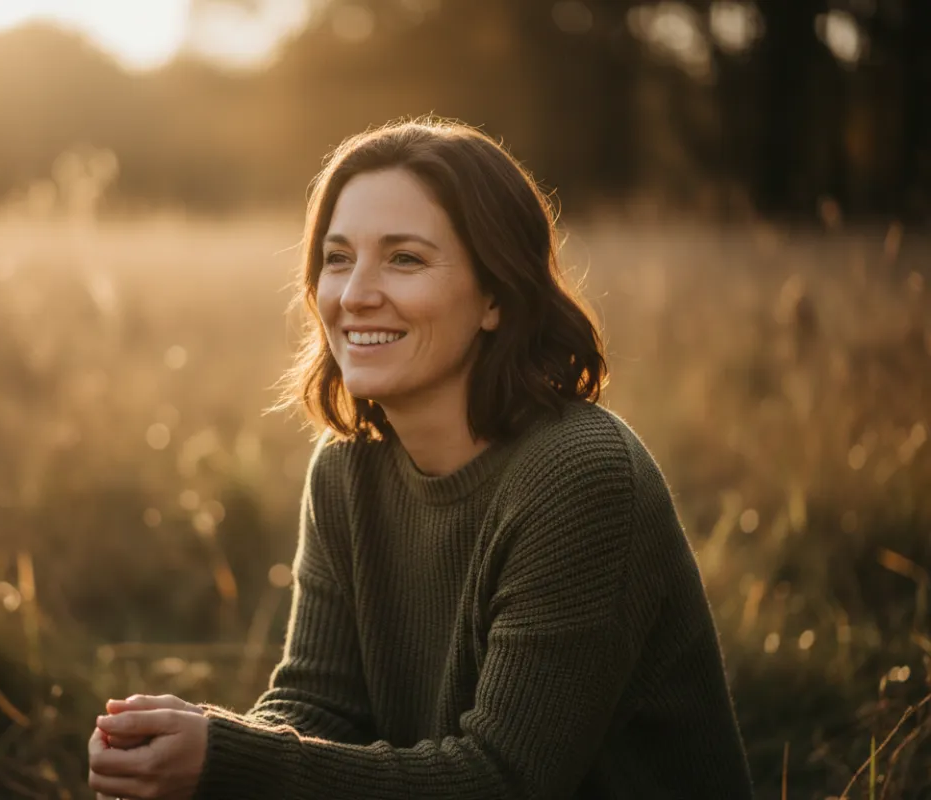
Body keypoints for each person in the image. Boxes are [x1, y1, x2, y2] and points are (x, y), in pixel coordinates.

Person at [87, 117, 755, 799]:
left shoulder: (580, 475)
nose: (354, 295)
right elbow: (319, 708)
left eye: (404, 259)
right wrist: (191, 757)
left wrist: (229, 762)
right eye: (338, 258)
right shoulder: (347, 471)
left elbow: (504, 781)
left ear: (496, 295)